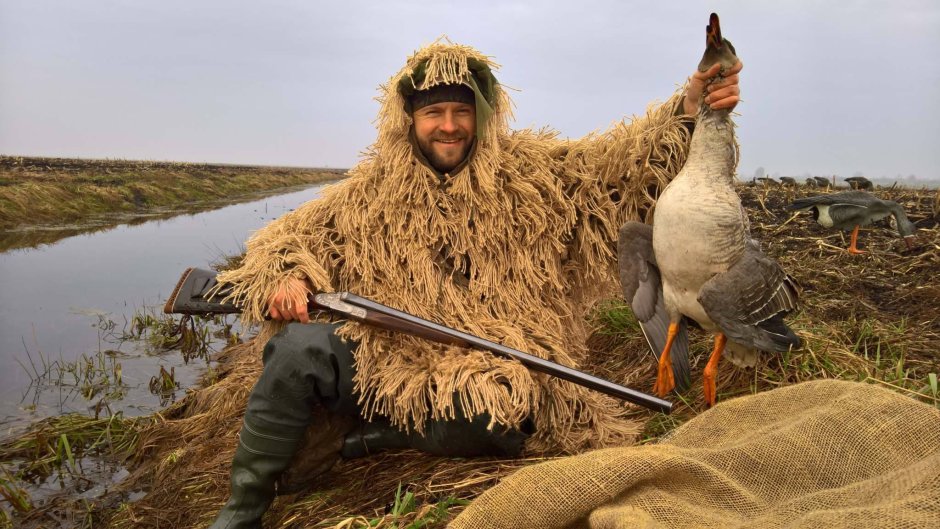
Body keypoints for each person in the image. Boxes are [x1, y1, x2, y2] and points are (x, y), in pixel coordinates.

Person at [209, 38, 741, 528]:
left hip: (493, 360)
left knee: (502, 407)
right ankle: (241, 510)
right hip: (385, 354)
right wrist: (289, 274)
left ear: (482, 117)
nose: (449, 126)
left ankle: (365, 440)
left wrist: (691, 105)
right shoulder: (368, 193)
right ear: (409, 120)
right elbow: (283, 241)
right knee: (295, 349)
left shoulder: (534, 175)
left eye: (462, 111)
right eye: (434, 112)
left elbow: (619, 169)